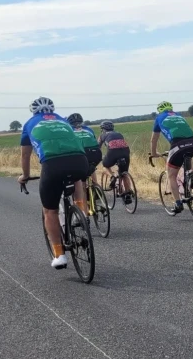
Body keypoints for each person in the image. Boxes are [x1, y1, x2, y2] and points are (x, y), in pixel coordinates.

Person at [17, 97, 89, 270]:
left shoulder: (29, 124)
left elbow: (25, 155)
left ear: (34, 111)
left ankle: (59, 255)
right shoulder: (63, 120)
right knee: (77, 179)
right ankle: (82, 212)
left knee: (50, 210)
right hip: (80, 161)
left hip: (52, 165)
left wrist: (25, 176)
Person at [149, 101, 193, 215]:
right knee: (188, 156)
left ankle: (178, 203)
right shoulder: (178, 115)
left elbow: (154, 139)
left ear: (159, 110)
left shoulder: (159, 118)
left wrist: (154, 153)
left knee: (171, 175)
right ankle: (191, 176)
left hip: (177, 145)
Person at [98, 120, 133, 204]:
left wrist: (98, 156)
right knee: (124, 173)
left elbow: (97, 147)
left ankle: (112, 176)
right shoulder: (119, 134)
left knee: (105, 165)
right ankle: (128, 192)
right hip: (125, 152)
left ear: (102, 129)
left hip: (113, 152)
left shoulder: (102, 135)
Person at [67, 113, 102, 190]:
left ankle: (83, 190)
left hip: (81, 154)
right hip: (96, 153)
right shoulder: (89, 129)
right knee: (91, 167)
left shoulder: (69, 130)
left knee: (81, 177)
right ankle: (96, 186)